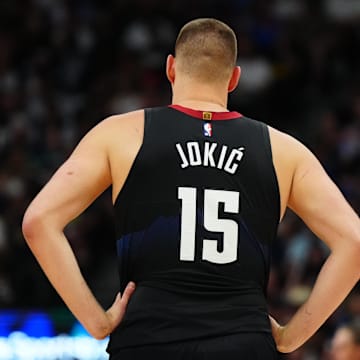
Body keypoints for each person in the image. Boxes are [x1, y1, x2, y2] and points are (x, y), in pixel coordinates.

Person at [22, 18, 360, 359]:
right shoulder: (284, 151)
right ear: (234, 78)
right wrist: (291, 336)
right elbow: (355, 242)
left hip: (147, 341)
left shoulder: (120, 134)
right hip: (243, 344)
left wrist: (96, 320)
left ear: (170, 68)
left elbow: (38, 221)